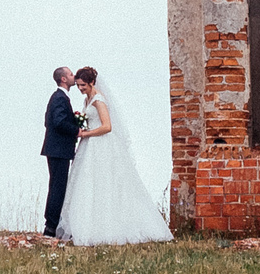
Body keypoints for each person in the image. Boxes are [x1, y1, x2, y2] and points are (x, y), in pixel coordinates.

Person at [56, 64, 172, 245]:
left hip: (101, 145)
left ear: (92, 82)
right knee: (87, 184)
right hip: (89, 146)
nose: (80, 89)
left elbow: (107, 126)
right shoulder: (87, 100)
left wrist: (86, 133)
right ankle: (88, 226)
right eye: (78, 85)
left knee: (104, 183)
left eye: (83, 85)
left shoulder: (99, 100)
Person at [39, 64, 80, 240]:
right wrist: (76, 130)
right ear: (63, 79)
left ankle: (53, 225)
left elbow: (48, 121)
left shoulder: (59, 98)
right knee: (58, 188)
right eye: (71, 74)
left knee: (57, 186)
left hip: (56, 149)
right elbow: (58, 122)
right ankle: (51, 227)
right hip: (58, 150)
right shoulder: (60, 98)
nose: (74, 76)